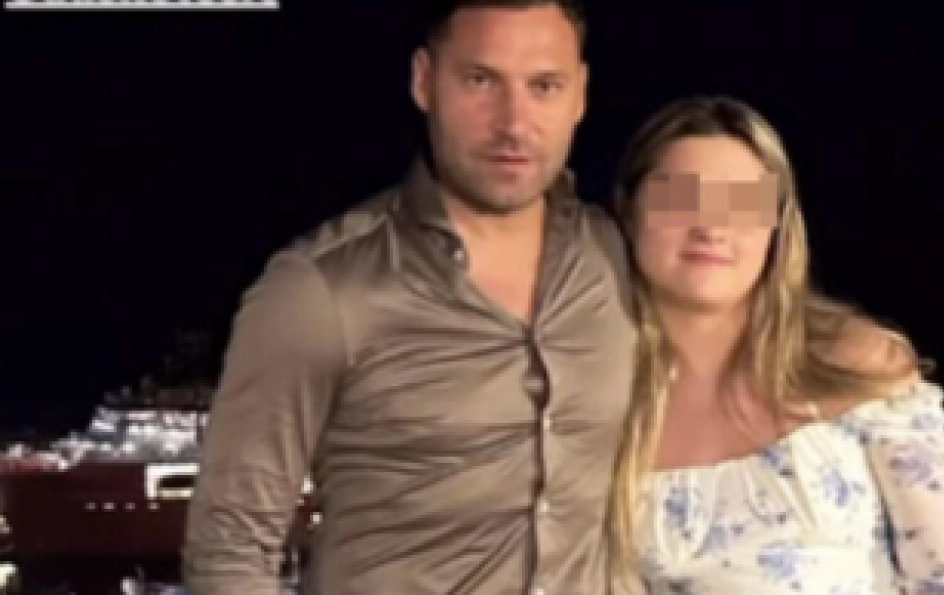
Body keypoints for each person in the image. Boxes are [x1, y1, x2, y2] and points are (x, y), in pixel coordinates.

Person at [182, 1, 637, 594]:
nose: (514, 123)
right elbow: (230, 549)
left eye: (544, 87)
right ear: (424, 81)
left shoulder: (615, 256)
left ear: (580, 95)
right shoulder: (318, 290)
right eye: (481, 81)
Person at [606, 97, 944, 594]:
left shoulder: (861, 373)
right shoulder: (589, 406)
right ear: (628, 209)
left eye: (742, 202)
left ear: (776, 224)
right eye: (681, 198)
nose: (711, 227)